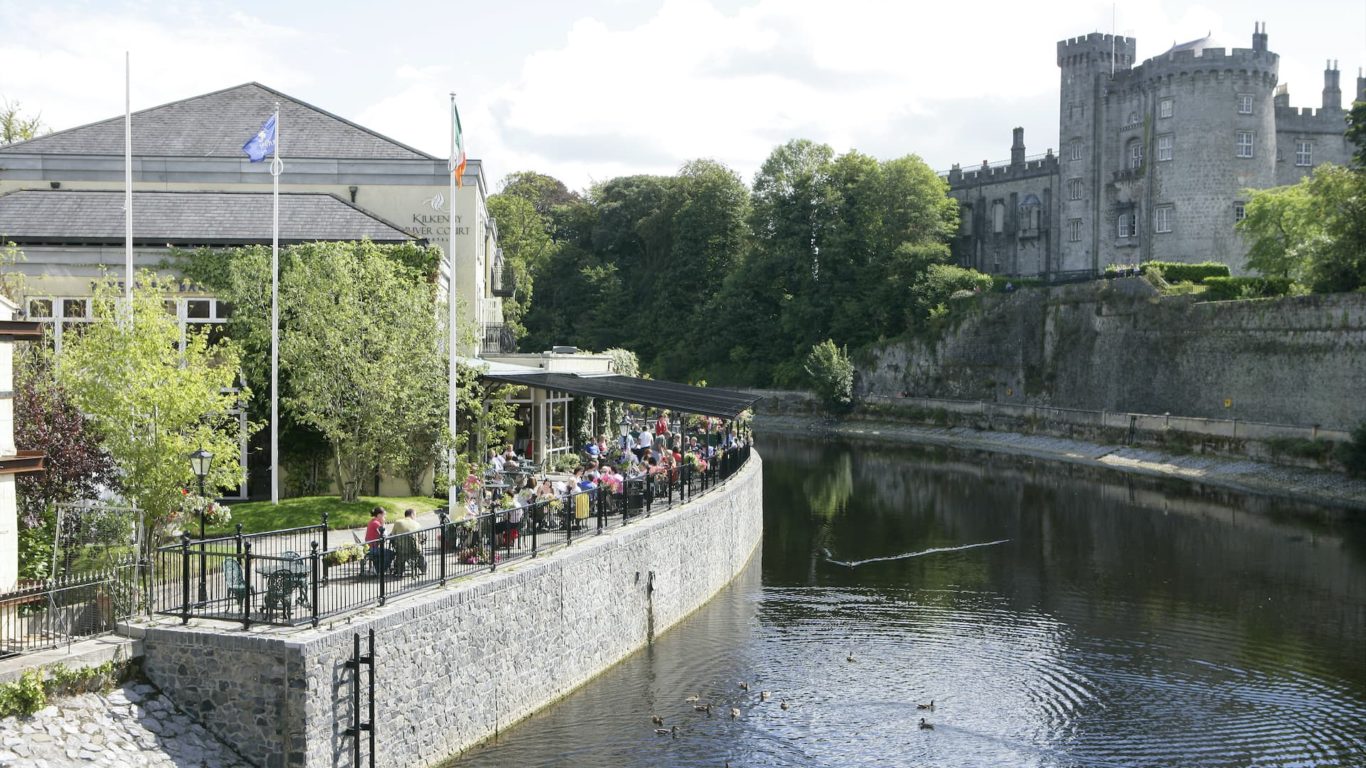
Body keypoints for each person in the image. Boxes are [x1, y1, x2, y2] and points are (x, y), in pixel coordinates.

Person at [389, 509, 426, 577]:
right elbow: (422, 537)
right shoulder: (417, 524)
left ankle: (399, 570)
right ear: (412, 515)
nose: (415, 517)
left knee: (399, 553)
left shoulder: (398, 522)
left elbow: (392, 535)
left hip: (401, 550)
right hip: (414, 550)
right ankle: (423, 569)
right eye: (415, 515)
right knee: (421, 553)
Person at [363, 507, 393, 576]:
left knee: (386, 552)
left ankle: (376, 568)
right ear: (379, 515)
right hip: (372, 548)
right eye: (384, 515)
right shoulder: (376, 523)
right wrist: (383, 523)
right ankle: (377, 570)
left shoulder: (372, 521)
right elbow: (384, 535)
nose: (384, 517)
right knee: (390, 553)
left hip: (370, 546)